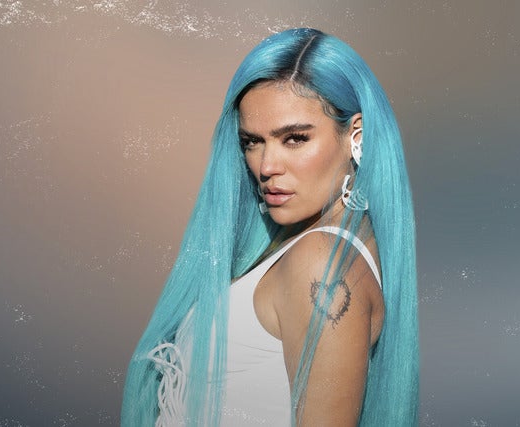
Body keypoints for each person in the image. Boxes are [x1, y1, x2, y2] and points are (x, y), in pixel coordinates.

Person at [121, 28, 418, 426]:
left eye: (294, 138)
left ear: (356, 137)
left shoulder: (322, 262)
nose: (266, 166)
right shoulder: (305, 247)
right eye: (252, 141)